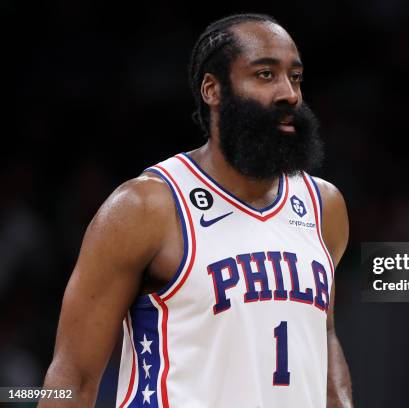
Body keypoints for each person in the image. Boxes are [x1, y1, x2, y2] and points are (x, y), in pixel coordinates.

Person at [41, 13, 352, 407]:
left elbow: (322, 334)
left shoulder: (323, 206)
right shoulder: (146, 207)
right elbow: (73, 376)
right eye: (265, 75)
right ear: (213, 89)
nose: (289, 93)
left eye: (295, 77)